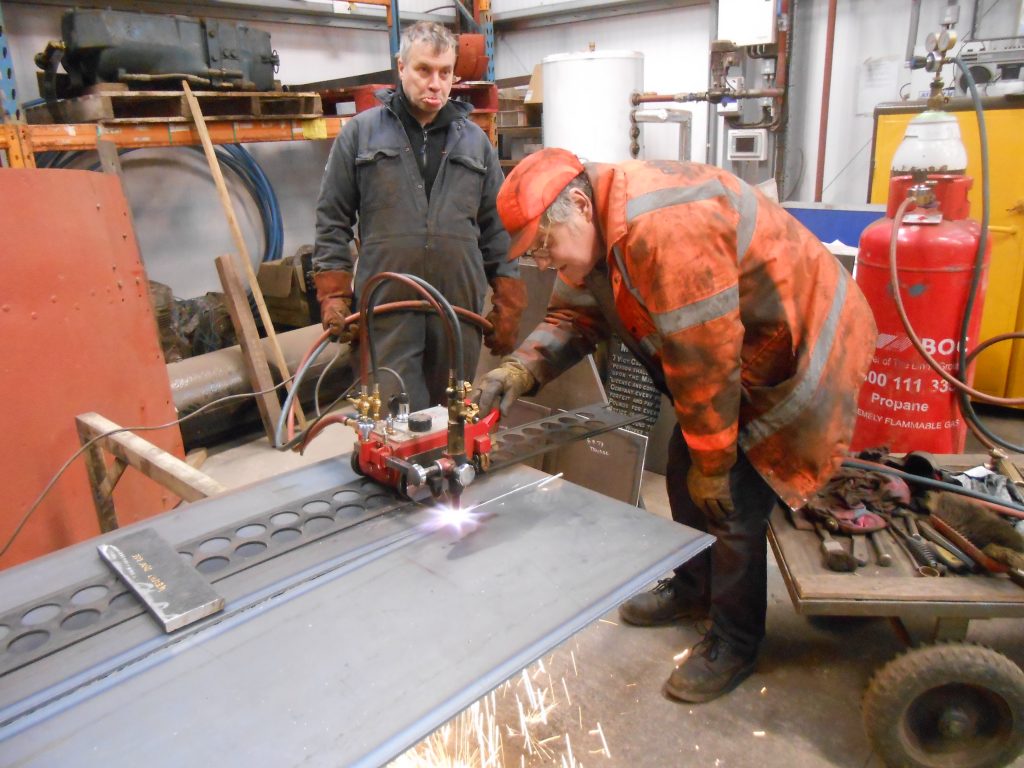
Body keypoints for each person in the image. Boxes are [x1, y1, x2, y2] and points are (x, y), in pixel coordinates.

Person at [474, 148, 877, 703]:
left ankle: (735, 641)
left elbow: (705, 356)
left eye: (543, 248)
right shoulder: (593, 231)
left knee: (730, 494)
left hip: (798, 344)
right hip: (736, 350)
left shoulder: (663, 229)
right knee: (690, 470)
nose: (543, 264)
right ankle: (694, 588)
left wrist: (717, 463)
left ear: (578, 205)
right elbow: (574, 316)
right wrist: (521, 369)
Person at [313, 21, 525, 410]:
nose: (435, 83)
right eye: (424, 70)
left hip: (457, 306)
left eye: (445, 73)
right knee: (392, 416)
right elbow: (332, 220)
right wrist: (333, 295)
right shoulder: (360, 135)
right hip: (386, 305)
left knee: (452, 415)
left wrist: (508, 302)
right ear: (401, 67)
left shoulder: (476, 142)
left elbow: (498, 227)